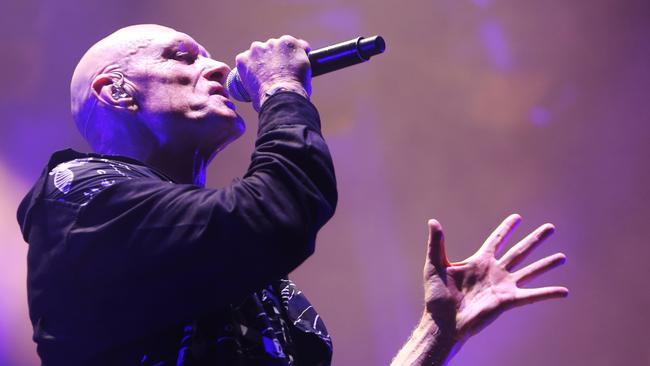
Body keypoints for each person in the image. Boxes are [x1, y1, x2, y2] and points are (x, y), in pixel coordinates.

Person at [17, 24, 568, 366]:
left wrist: (435, 335)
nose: (216, 67)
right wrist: (281, 90)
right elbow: (277, 212)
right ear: (115, 89)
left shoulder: (238, 265)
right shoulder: (79, 199)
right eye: (181, 57)